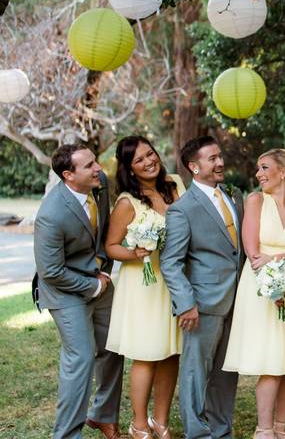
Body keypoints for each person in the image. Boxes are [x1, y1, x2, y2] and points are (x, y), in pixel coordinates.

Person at [223, 149, 285, 438]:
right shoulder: (255, 201)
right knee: (272, 362)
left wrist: (279, 261)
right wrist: (274, 272)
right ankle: (263, 429)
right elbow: (254, 253)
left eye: (265, 167)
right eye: (258, 169)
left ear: (284, 171)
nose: (259, 174)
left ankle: (281, 427)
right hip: (259, 286)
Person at [33, 143, 124, 439]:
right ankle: (67, 434)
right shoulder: (51, 214)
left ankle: (103, 415)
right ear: (69, 175)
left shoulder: (99, 185)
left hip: (98, 278)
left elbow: (104, 230)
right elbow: (51, 272)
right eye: (89, 166)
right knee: (81, 357)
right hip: (65, 290)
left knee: (114, 347)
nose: (98, 168)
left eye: (95, 162)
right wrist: (93, 284)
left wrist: (103, 271)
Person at [159, 136, 244, 439]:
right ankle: (197, 433)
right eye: (212, 159)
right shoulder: (183, 210)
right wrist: (186, 303)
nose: (220, 162)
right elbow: (171, 262)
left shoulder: (234, 197)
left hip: (238, 300)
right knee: (196, 373)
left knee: (226, 371)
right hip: (202, 304)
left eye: (220, 156)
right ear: (194, 167)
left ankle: (221, 431)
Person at [105, 136, 185, 439]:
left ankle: (160, 421)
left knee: (171, 352)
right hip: (144, 284)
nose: (149, 161)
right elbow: (111, 247)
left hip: (176, 280)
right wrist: (134, 253)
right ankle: (138, 425)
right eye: (139, 160)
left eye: (150, 154)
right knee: (147, 354)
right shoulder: (127, 202)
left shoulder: (175, 183)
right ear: (129, 168)